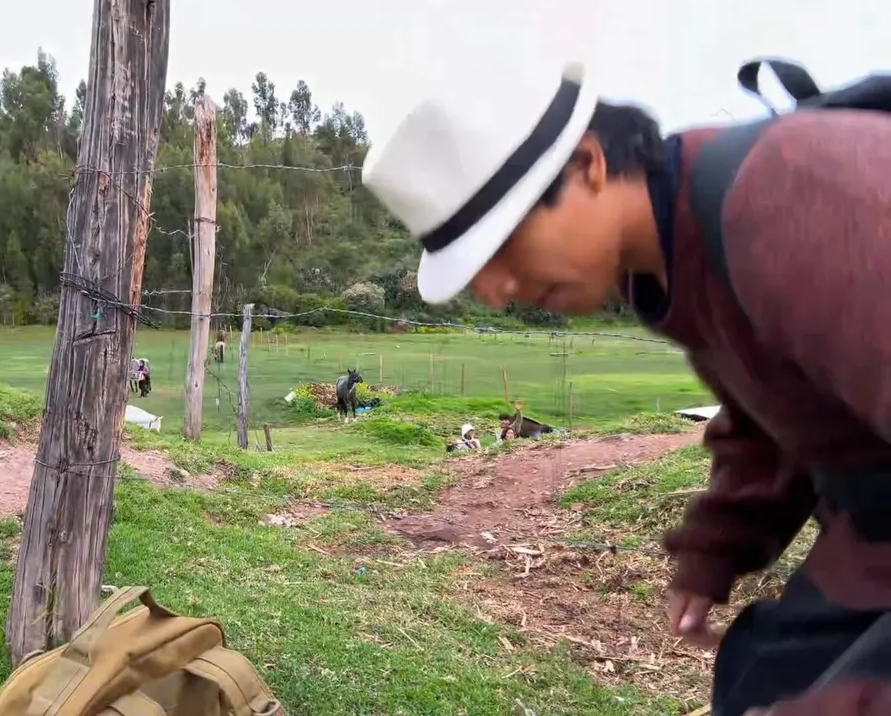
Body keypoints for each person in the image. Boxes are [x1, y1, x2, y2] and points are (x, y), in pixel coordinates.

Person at [363, 57, 891, 715]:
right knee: (760, 675)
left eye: (501, 243)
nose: (495, 291)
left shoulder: (790, 195)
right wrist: (716, 550)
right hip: (872, 526)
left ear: (588, 164)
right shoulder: (676, 257)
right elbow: (776, 413)